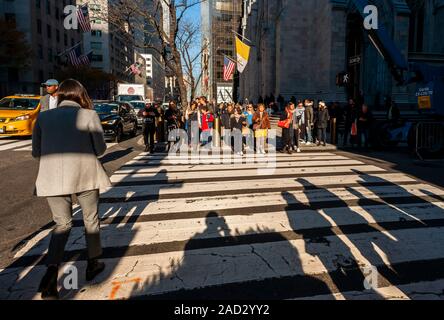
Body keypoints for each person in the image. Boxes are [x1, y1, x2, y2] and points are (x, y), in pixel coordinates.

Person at [32, 79, 110, 300]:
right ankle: (92, 263)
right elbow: (101, 149)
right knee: (90, 218)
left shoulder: (44, 117)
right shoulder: (89, 115)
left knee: (62, 224)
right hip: (85, 173)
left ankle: (50, 275)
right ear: (80, 95)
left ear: (60, 95)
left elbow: (36, 151)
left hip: (52, 176)